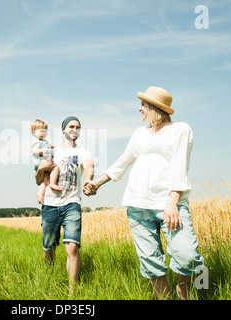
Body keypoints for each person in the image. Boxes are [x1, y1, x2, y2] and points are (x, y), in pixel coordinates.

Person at [84, 87, 205, 300]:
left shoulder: (180, 129)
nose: (139, 109)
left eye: (143, 105)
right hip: (138, 205)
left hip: (169, 205)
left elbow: (180, 166)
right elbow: (123, 162)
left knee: (187, 256)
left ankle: (183, 289)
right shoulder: (140, 133)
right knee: (151, 262)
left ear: (155, 107)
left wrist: (173, 201)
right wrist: (97, 183)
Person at [35, 116, 94, 292]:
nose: (74, 130)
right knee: (48, 247)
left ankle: (72, 291)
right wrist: (40, 168)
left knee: (73, 246)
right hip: (50, 204)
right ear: (63, 130)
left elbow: (89, 167)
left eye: (78, 127)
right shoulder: (51, 152)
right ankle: (49, 276)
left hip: (72, 202)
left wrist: (88, 180)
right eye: (71, 126)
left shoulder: (83, 152)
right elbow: (39, 180)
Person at [31, 119, 61, 204]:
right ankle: (53, 183)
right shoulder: (36, 141)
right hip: (41, 162)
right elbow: (34, 151)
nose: (44, 133)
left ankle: (40, 192)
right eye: (41, 131)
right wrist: (40, 151)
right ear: (34, 132)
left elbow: (47, 150)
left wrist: (50, 148)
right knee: (56, 167)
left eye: (45, 131)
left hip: (44, 162)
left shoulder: (45, 141)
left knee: (45, 179)